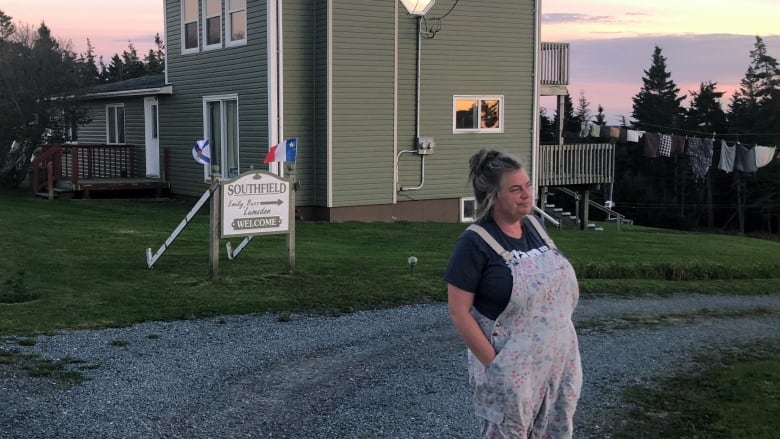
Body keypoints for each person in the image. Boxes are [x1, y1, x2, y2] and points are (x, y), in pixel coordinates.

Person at [444, 148, 582, 438]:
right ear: (492, 197)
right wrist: (495, 366)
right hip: (513, 372)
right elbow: (458, 311)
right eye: (516, 189)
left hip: (558, 363)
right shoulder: (474, 244)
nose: (526, 194)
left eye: (528, 186)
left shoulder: (535, 227)